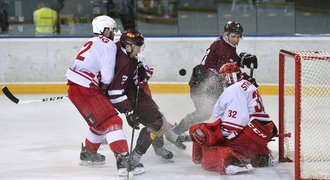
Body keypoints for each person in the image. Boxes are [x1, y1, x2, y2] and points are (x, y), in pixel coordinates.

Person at [65, 15, 134, 177]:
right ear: (106, 30)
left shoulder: (92, 42)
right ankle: (124, 160)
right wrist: (104, 87)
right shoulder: (107, 44)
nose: (113, 33)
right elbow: (107, 76)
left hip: (76, 88)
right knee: (112, 121)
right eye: (112, 30)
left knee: (100, 122)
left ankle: (89, 152)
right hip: (86, 88)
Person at [171, 21, 258, 140]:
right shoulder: (219, 46)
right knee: (205, 112)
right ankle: (176, 132)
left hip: (212, 86)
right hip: (201, 85)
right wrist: (246, 79)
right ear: (226, 34)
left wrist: (241, 60)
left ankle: (216, 135)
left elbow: (228, 65)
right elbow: (224, 70)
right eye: (233, 36)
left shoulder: (227, 46)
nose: (236, 40)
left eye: (238, 37)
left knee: (224, 109)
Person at [189, 63, 278, 175]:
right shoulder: (247, 84)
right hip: (264, 131)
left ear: (229, 77)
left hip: (250, 133)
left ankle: (233, 162)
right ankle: (261, 156)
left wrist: (222, 136)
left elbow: (240, 118)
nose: (222, 81)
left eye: (223, 77)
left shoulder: (234, 89)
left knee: (208, 137)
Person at [108, 29, 174, 173]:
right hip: (128, 94)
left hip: (135, 90)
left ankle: (155, 148)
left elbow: (143, 73)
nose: (139, 50)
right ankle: (134, 157)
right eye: (137, 46)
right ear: (128, 46)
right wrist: (129, 111)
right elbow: (115, 91)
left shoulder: (128, 54)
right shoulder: (124, 62)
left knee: (156, 118)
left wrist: (140, 73)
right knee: (156, 121)